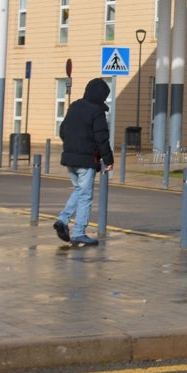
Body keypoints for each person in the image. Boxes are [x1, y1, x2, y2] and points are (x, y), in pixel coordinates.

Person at [54, 77, 114, 247]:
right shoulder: (97, 111)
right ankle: (78, 231)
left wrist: (71, 146)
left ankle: (63, 220)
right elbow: (102, 137)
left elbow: (62, 130)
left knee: (79, 190)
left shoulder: (74, 106)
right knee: (85, 195)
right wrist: (108, 159)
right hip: (86, 160)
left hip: (69, 158)